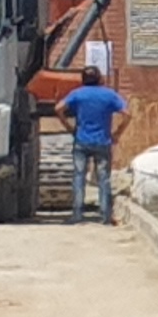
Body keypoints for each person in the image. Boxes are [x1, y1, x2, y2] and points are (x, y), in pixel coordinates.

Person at [60, 65, 130, 223]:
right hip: (103, 142)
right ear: (99, 78)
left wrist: (68, 126)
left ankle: (77, 215)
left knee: (79, 176)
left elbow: (58, 108)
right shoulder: (109, 95)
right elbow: (127, 114)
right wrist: (118, 133)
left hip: (81, 141)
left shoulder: (77, 94)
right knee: (103, 178)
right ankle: (105, 216)